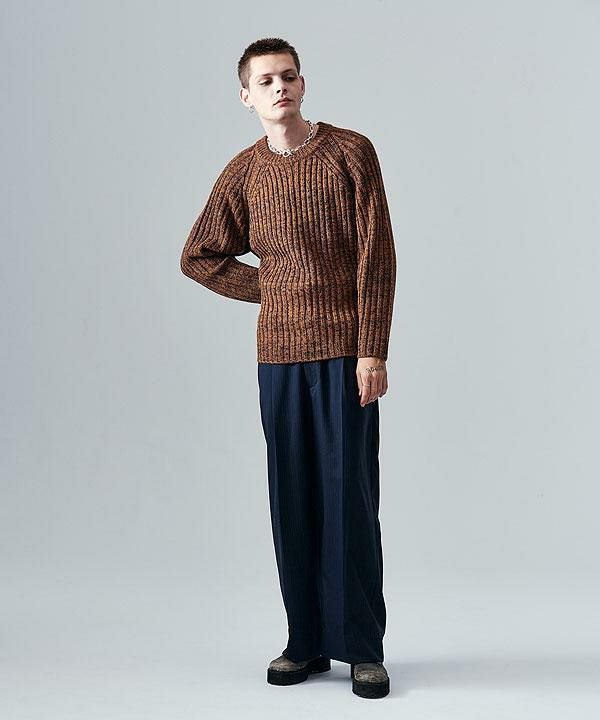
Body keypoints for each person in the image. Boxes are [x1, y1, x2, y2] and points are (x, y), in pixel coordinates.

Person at [180, 37, 396, 700]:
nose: (280, 88)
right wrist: (274, 289)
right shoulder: (244, 173)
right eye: (267, 81)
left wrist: (373, 348)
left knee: (349, 499)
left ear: (303, 85)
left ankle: (362, 648)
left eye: (289, 76)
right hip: (277, 356)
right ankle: (304, 641)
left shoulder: (350, 152)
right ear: (246, 96)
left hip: (345, 353)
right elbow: (199, 256)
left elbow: (377, 256)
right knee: (293, 498)